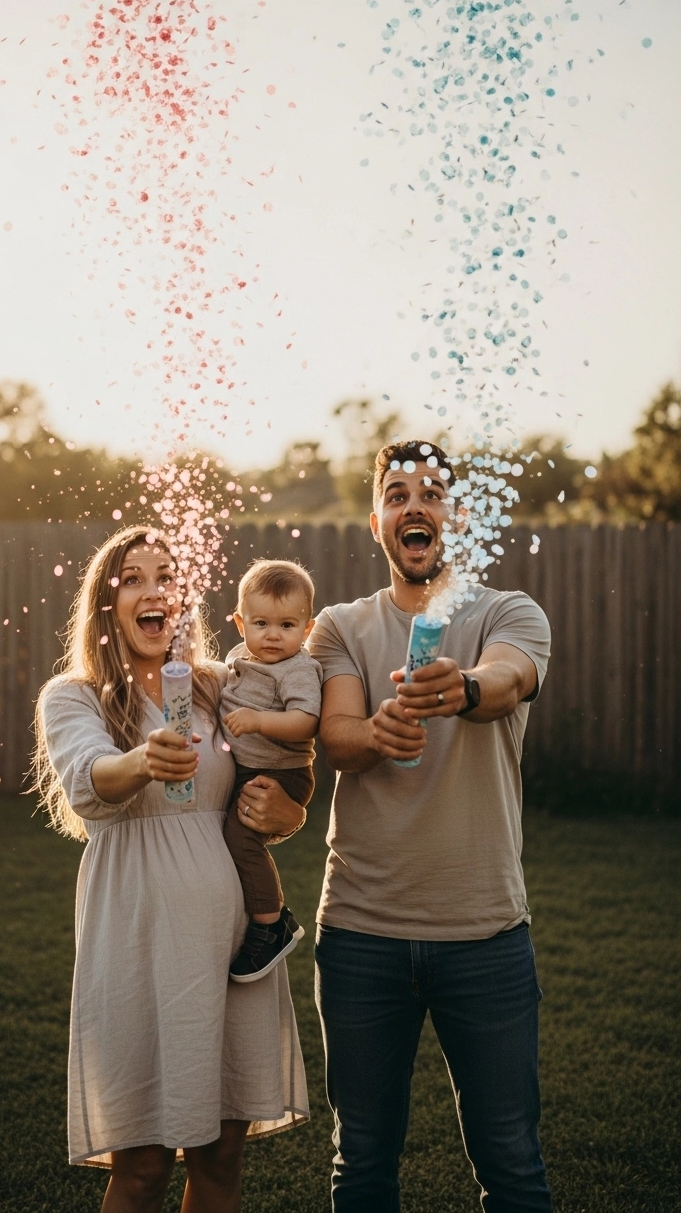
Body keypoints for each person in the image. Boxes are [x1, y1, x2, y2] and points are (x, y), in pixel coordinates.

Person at [32, 525, 309, 1213]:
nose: (154, 590)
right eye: (134, 578)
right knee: (144, 1166)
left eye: (167, 577)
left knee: (220, 1157)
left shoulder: (222, 687)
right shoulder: (76, 696)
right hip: (138, 942)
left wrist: (289, 813)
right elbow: (86, 778)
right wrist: (142, 760)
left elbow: (286, 757)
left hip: (232, 950)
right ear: (107, 602)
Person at [308, 440, 553, 1213]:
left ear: (458, 518)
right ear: (376, 521)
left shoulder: (508, 612)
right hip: (358, 934)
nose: (417, 504)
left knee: (511, 1160)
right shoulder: (340, 626)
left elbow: (510, 679)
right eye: (398, 493)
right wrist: (377, 734)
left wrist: (463, 686)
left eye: (435, 493)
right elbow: (336, 734)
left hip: (484, 935)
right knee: (362, 1164)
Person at [220, 559, 321, 982]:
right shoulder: (239, 657)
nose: (273, 635)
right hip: (248, 767)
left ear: (307, 629)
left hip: (283, 773)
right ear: (241, 624)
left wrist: (259, 721)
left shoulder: (297, 668)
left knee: (241, 839)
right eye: (261, 623)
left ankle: (271, 923)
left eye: (287, 625)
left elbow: (306, 721)